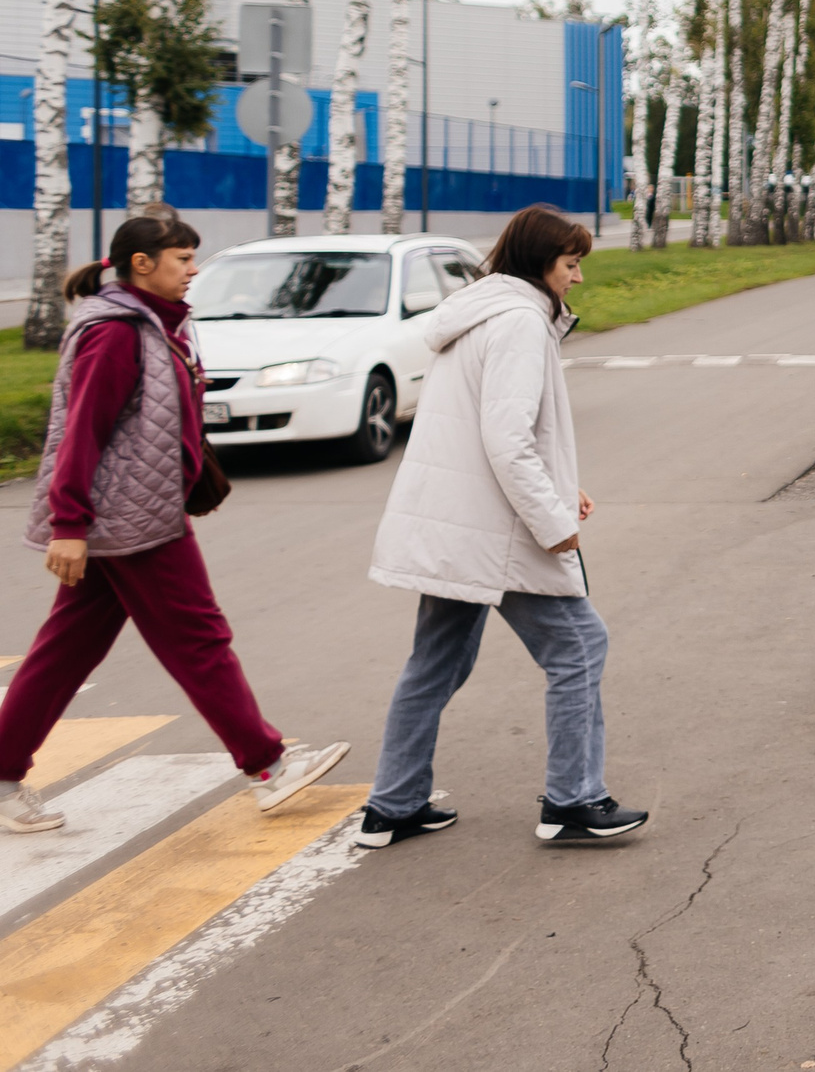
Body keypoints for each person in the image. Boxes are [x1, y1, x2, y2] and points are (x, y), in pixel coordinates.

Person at [0, 215, 349, 836]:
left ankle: (0, 776)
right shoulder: (117, 334)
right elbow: (82, 432)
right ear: (142, 263)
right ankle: (267, 766)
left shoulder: (160, 323)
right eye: (183, 258)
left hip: (136, 511)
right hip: (130, 520)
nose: (193, 270)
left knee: (65, 649)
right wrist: (70, 523)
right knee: (199, 638)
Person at [362, 206, 645, 846]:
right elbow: (506, 437)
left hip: (458, 523)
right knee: (579, 647)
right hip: (494, 531)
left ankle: (394, 805)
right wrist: (551, 521)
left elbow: (489, 428)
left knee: (435, 664)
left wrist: (558, 486)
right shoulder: (519, 320)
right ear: (540, 261)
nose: (576, 278)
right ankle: (574, 802)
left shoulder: (481, 310)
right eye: (571, 264)